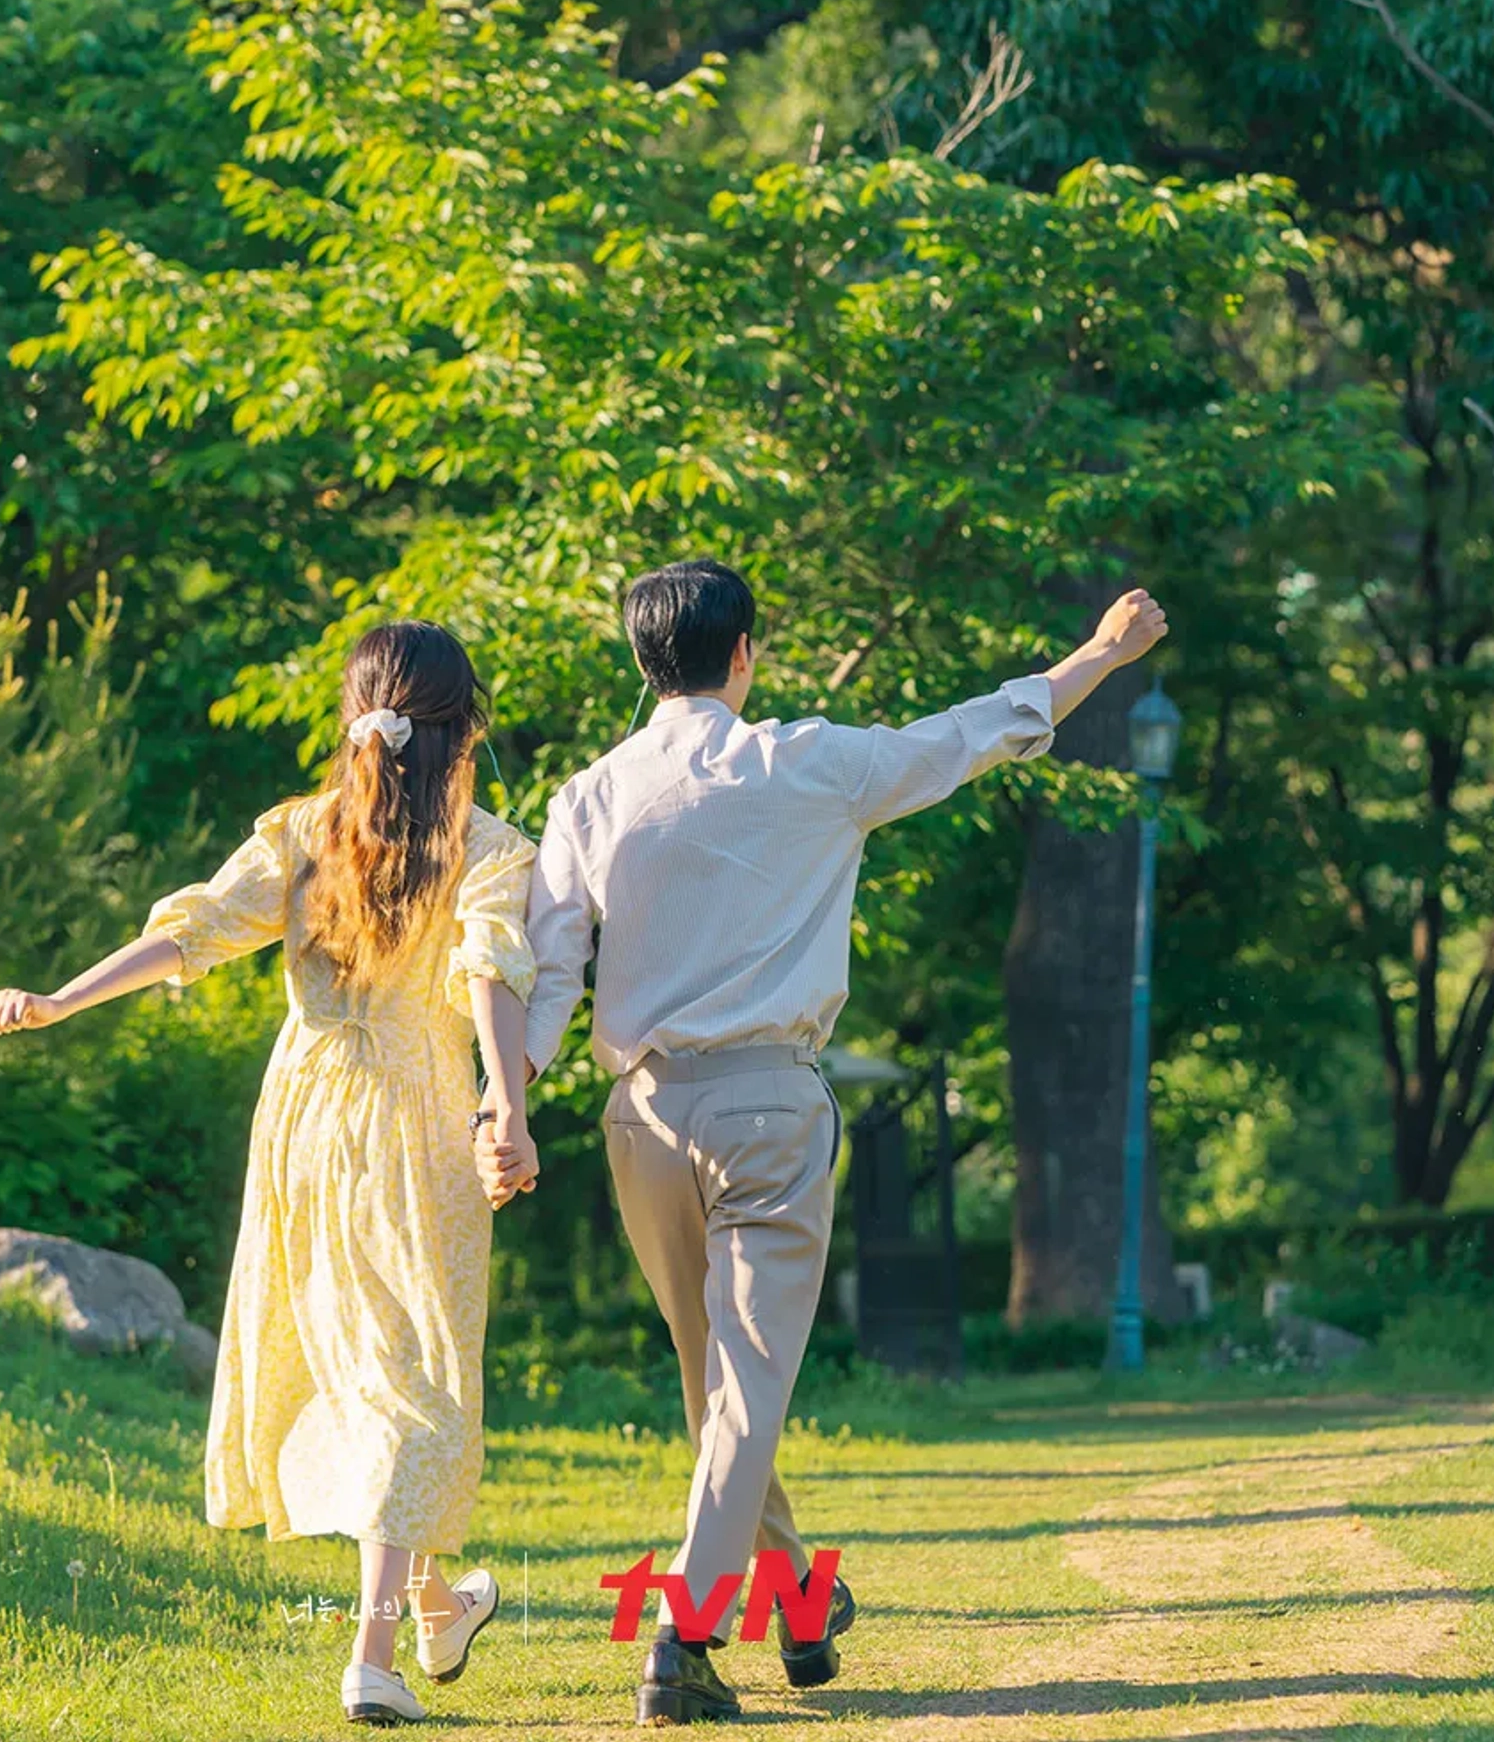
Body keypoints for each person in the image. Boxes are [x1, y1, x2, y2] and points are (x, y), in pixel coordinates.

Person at [490, 560, 1166, 1725]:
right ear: (742, 652)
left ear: (641, 661)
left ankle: (800, 1601)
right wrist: (1098, 656)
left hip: (639, 1120)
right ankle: (684, 1640)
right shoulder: (805, 761)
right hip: (766, 1108)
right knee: (745, 1388)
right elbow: (967, 736)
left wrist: (506, 1102)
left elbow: (546, 975)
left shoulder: (586, 798)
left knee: (719, 1383)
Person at [0, 620, 542, 1728]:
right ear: (464, 726)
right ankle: (372, 1665)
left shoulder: (303, 832)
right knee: (411, 1376)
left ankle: (436, 1607)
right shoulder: (491, 848)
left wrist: (59, 997)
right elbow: (490, 974)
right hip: (414, 1122)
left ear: (354, 721)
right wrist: (506, 1110)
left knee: (353, 1364)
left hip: (303, 1117)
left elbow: (191, 933)